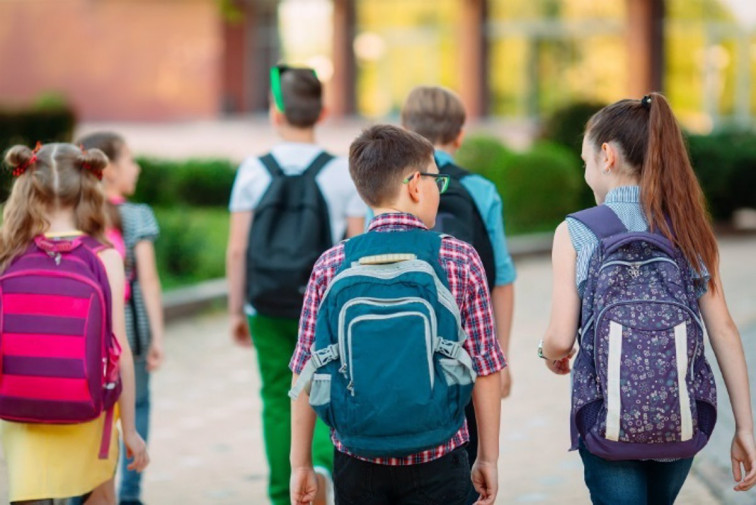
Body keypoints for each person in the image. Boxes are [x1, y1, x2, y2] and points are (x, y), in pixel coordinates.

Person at [540, 92, 756, 504]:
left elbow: (560, 339)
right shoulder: (689, 230)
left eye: (586, 162)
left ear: (606, 156)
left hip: (606, 419)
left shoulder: (576, 232)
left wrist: (546, 352)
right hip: (681, 419)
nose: (586, 172)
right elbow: (724, 330)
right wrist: (744, 428)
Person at [289, 124, 505, 505]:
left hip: (358, 458)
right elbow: (486, 368)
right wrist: (488, 456)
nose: (440, 189)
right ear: (416, 185)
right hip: (439, 455)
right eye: (438, 179)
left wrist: (300, 464)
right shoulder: (459, 258)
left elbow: (305, 368)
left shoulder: (331, 264)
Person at [225, 65, 366, 505]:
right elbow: (355, 247)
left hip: (264, 304)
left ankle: (281, 492)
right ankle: (321, 468)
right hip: (321, 305)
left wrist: (235, 310)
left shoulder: (252, 170)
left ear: (275, 113)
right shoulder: (340, 172)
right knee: (323, 388)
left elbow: (236, 250)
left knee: (274, 394)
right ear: (323, 112)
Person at [0, 143, 149, 504]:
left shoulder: (10, 254)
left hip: (22, 407)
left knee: (29, 493)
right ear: (89, 187)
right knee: (99, 493)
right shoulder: (104, 257)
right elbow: (120, 350)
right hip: (89, 410)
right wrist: (130, 429)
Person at [401, 85, 515, 504]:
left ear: (404, 132)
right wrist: (499, 358)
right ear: (460, 135)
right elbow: (500, 277)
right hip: (465, 351)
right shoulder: (481, 189)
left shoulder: (390, 187)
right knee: (463, 456)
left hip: (400, 344)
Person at [78, 132, 164, 505]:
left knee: (91, 413)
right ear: (108, 169)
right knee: (138, 403)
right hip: (131, 330)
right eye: (129, 159)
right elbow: (148, 279)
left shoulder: (77, 214)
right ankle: (129, 492)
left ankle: (83, 490)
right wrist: (158, 335)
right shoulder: (137, 214)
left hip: (87, 333)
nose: (137, 166)